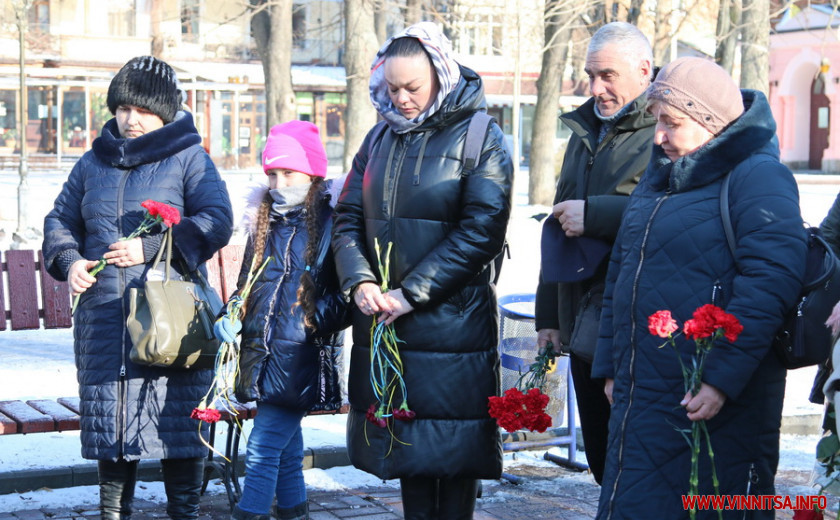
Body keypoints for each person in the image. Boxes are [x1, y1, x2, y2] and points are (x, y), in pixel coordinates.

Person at [591, 57, 807, 519]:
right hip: (642, 390)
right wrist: (611, 364)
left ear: (711, 122)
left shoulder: (759, 177)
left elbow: (771, 282)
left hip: (709, 398)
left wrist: (720, 379)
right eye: (657, 122)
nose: (658, 137)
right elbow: (621, 275)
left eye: (673, 123)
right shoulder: (660, 177)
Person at [331, 22, 513, 519]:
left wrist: (414, 291)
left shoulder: (481, 136)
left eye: (412, 87)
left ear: (441, 74)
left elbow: (483, 229)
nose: (401, 99)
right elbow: (346, 216)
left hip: (452, 326)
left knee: (453, 458)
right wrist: (359, 279)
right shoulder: (379, 136)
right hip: (386, 321)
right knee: (407, 454)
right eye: (391, 88)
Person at [42, 56, 233, 520]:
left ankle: (183, 512)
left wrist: (151, 248)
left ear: (165, 111)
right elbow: (60, 221)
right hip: (105, 316)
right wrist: (69, 264)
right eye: (123, 108)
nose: (130, 119)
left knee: (178, 421)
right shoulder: (91, 163)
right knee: (111, 418)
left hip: (170, 318)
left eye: (142, 110)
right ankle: (113, 513)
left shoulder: (189, 157)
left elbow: (216, 221)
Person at [534, 21, 655, 484]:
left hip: (630, 323)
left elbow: (672, 216)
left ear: (644, 70)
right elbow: (559, 226)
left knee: (635, 463)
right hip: (579, 325)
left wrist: (598, 214)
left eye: (608, 75)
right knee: (603, 462)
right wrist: (549, 315)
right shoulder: (584, 132)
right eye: (590, 75)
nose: (596, 88)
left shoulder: (666, 130)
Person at [216, 121, 347, 520]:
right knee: (286, 448)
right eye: (272, 173)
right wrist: (231, 313)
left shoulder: (334, 219)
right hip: (262, 349)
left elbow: (351, 294)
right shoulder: (266, 220)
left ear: (313, 172)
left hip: (302, 355)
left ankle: (250, 512)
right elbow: (247, 283)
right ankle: (294, 511)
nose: (278, 181)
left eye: (288, 172)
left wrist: (312, 320)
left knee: (262, 447)